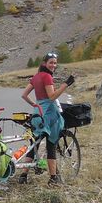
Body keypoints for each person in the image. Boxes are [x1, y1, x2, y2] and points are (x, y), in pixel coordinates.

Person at [21, 53, 74, 185]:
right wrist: (65, 85)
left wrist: (35, 105)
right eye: (51, 62)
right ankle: (53, 178)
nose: (53, 65)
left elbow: (24, 95)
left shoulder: (36, 77)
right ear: (44, 63)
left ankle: (23, 175)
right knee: (51, 145)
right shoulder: (47, 77)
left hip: (37, 114)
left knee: (34, 145)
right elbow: (52, 97)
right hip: (50, 115)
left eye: (55, 63)